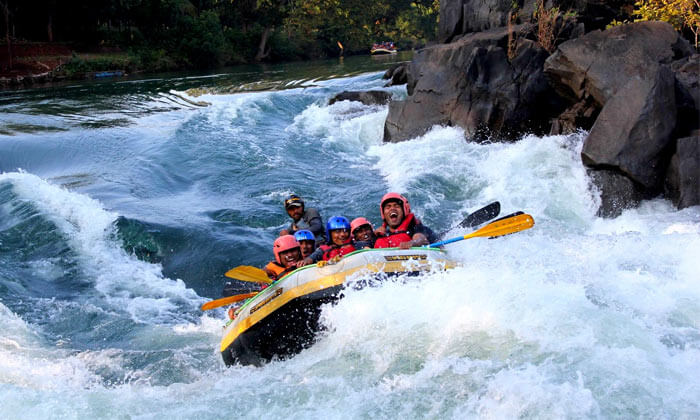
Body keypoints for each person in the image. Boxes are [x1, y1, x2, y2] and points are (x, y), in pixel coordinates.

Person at [374, 192, 438, 249]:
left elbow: (421, 240)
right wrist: (373, 236)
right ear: (383, 213)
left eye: (396, 206)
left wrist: (412, 243)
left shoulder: (416, 228)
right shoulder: (382, 234)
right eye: (388, 207)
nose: (392, 209)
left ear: (404, 211)